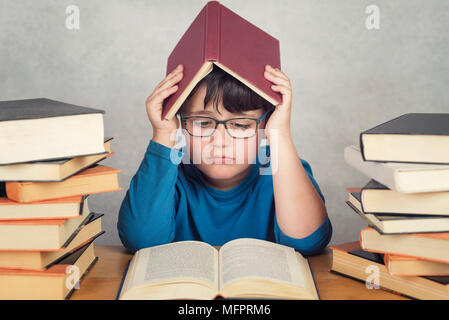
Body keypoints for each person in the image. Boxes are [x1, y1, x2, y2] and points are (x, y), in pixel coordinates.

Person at [117, 63, 332, 255]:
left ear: (264, 125)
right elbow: (140, 241)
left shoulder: (282, 171)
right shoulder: (170, 174)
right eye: (203, 123)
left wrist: (280, 132)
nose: (220, 142)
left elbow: (308, 242)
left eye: (240, 125)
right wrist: (164, 134)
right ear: (182, 123)